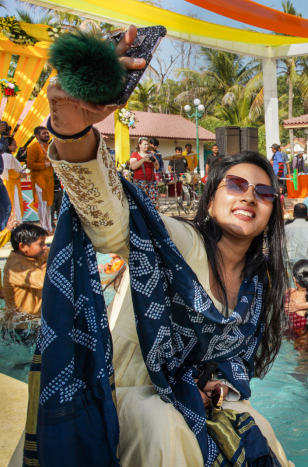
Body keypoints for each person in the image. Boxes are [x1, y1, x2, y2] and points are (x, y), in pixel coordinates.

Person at [35, 35, 293, 466]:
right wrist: (71, 126)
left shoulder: (259, 280)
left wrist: (217, 380)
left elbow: (227, 357)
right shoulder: (182, 243)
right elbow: (110, 220)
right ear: (210, 200)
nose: (250, 196)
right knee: (165, 427)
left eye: (264, 191)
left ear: (272, 212)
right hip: (124, 390)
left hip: (190, 393)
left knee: (261, 431)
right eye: (236, 185)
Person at [2, 223, 48, 329]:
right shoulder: (16, 266)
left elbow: (56, 252)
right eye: (41, 244)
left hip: (32, 323)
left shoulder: (32, 257)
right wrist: (50, 266)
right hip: (20, 328)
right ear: (23, 247)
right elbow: (46, 281)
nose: (45, 247)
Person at [26, 126, 54, 232]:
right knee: (43, 202)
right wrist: (45, 165)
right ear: (37, 135)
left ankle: (49, 226)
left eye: (47, 133)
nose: (47, 135)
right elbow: (30, 164)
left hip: (50, 178)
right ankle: (43, 227)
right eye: (43, 133)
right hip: (39, 178)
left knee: (48, 204)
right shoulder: (33, 147)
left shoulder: (51, 147)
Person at [130, 136, 160, 208]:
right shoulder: (135, 154)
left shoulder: (151, 154)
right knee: (141, 201)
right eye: (145, 144)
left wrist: (153, 161)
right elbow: (133, 167)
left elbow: (157, 167)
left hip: (152, 181)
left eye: (147, 144)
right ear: (139, 145)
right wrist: (143, 160)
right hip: (140, 181)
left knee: (153, 202)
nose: (147, 146)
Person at [2, 137, 25, 223]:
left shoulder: (4, 155)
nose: (16, 147)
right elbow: (10, 173)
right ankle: (15, 224)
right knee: (14, 205)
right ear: (8, 146)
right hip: (12, 184)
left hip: (9, 183)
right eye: (14, 145)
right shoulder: (8, 156)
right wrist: (21, 175)